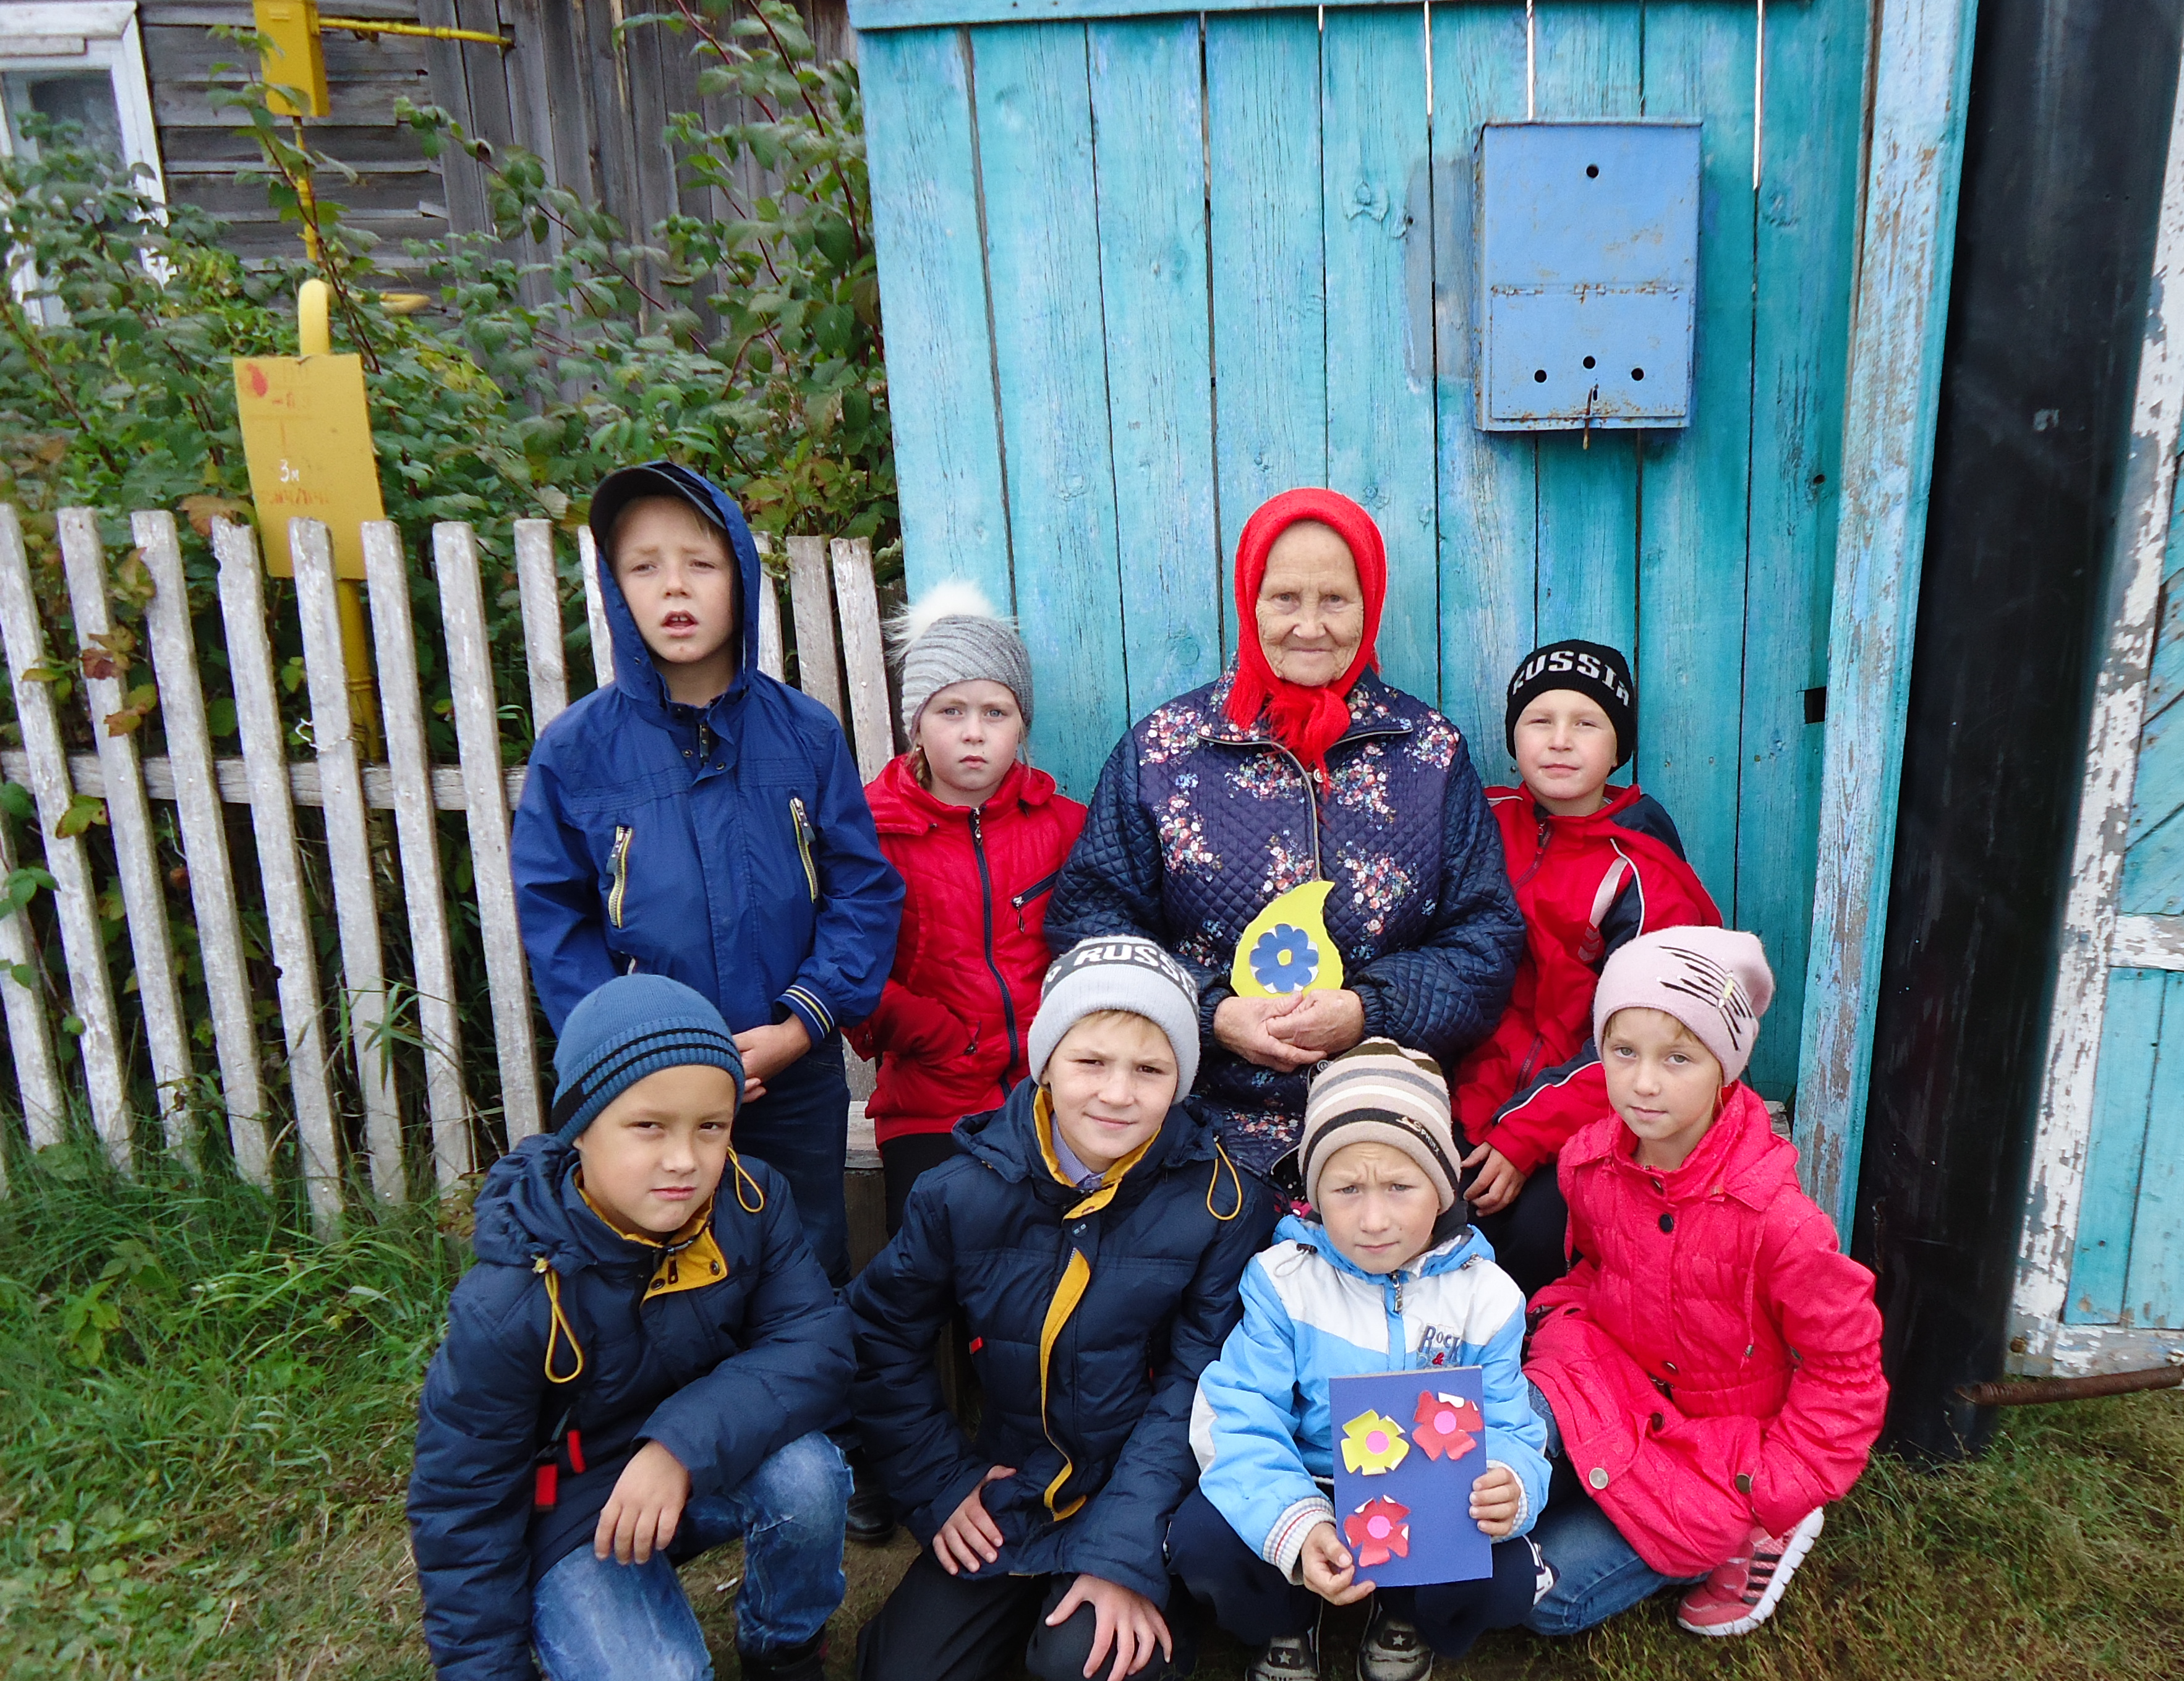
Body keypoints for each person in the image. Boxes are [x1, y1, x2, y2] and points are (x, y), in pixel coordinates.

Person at [407, 975, 871, 1681]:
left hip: (703, 1460)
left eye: (711, 1127)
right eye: (649, 1126)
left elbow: (817, 1342)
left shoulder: (752, 1202)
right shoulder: (509, 1299)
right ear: (581, 1127)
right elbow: (461, 1501)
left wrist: (679, 1446)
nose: (685, 1159)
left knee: (807, 1474)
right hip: (578, 1506)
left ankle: (784, 1660)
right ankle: (579, 1613)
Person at [845, 936, 1272, 1681]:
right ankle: (1036, 1584)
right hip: (1021, 1481)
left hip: (1150, 1484)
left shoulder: (1223, 1203)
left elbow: (1201, 1382)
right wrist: (941, 1482)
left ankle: (1151, 1586)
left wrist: (1122, 1554)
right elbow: (879, 1335)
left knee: (1083, 1665)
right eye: (1090, 1062)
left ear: (1181, 1080)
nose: (1117, 1093)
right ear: (1046, 1064)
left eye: (1150, 1070)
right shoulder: (959, 1192)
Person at [1047, 486, 1522, 1185]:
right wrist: (1213, 1014)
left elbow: (1485, 939)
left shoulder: (1428, 751)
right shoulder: (1164, 751)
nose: (1310, 625)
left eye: (1335, 599)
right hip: (1198, 1122)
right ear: (1250, 603)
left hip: (1385, 1122)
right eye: (1285, 599)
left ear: (1370, 605)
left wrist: (1367, 1012)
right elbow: (1091, 923)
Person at [510, 461, 902, 1283]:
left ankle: (809, 1373)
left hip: (788, 1072)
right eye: (643, 567)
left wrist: (802, 1023)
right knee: (652, 1275)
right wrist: (634, 1055)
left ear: (742, 578)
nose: (673, 587)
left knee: (801, 1266)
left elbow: (863, 891)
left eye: (701, 563)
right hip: (645, 1089)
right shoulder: (576, 753)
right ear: (615, 589)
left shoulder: (806, 735)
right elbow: (557, 922)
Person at [1522, 928, 1887, 1641]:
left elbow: (1846, 1375)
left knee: (1543, 1597)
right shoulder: (1588, 1165)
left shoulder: (1780, 1222)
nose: (1643, 1082)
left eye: (1677, 1058)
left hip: (1719, 1454)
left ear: (1726, 1067)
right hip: (1613, 1389)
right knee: (1502, 1483)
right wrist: (1560, 1324)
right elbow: (1592, 1269)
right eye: (1623, 1051)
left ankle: (1755, 1534)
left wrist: (1773, 1487)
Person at [1174, 1041, 1549, 1681]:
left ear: (1442, 1189)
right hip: (1311, 1484)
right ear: (1316, 1195)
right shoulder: (1282, 1283)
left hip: (1428, 1501)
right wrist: (1298, 1524)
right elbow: (1238, 1415)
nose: (1374, 1220)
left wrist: (1512, 1482)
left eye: (1400, 1187)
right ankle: (1287, 1619)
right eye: (1347, 1190)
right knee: (1204, 1536)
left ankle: (1404, 1611)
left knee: (1506, 1576)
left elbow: (1511, 1422)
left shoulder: (1488, 1297)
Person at [1451, 640, 1723, 1300]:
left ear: (1617, 746)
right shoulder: (1484, 820)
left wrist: (1525, 1135)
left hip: (1588, 1105)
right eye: (1540, 720)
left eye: (1587, 723)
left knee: (1538, 1235)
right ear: (1514, 737)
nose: (1560, 741)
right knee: (1419, 1208)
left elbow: (1642, 1040)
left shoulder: (1643, 872)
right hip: (1468, 1087)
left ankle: (1543, 1349)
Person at [846, 581, 1085, 1243]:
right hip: (929, 1104)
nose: (974, 733)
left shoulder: (1063, 827)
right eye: (950, 710)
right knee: (931, 1261)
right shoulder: (871, 832)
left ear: (1021, 725)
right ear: (916, 723)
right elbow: (850, 968)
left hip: (1052, 1098)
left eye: (995, 712)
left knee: (1053, 1264)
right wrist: (940, 1037)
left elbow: (1096, 947)